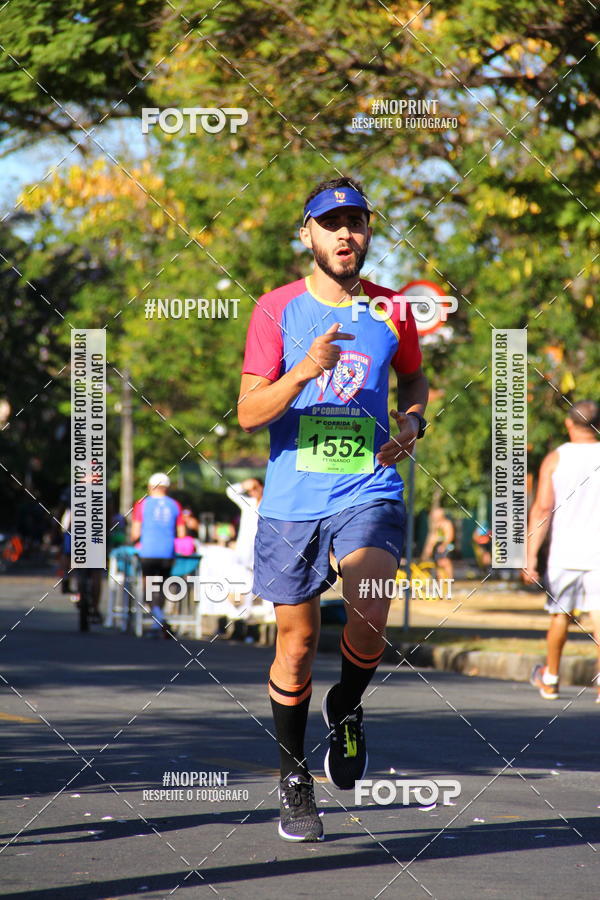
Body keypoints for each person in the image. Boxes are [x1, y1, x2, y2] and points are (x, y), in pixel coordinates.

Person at [238, 175, 428, 841]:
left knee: (371, 599)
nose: (346, 233)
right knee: (295, 645)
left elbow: (413, 376)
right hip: (293, 501)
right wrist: (300, 372)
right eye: (331, 222)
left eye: (357, 222)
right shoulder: (276, 311)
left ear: (369, 233)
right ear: (308, 235)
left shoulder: (393, 310)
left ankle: (346, 705)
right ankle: (295, 778)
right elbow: (247, 414)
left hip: (367, 490)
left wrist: (413, 420)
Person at [525, 400, 600, 701]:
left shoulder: (556, 458)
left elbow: (543, 508)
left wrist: (530, 557)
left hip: (564, 554)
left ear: (569, 424)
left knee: (560, 616)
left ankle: (551, 678)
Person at [130, 472, 186, 636]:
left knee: (149, 586)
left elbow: (135, 532)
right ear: (167, 488)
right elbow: (181, 533)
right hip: (168, 551)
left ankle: (159, 618)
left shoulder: (142, 504)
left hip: (148, 551)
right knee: (162, 586)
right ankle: (158, 622)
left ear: (150, 486)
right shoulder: (175, 505)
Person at [225, 478, 264, 570]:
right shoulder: (248, 503)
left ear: (262, 487)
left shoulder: (269, 505)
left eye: (255, 487)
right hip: (243, 548)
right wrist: (243, 485)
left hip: (260, 549)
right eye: (249, 490)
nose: (253, 491)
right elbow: (230, 491)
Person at [422, 506, 455, 582]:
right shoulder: (436, 524)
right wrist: (429, 548)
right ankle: (441, 580)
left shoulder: (446, 523)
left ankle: (450, 579)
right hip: (438, 545)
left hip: (445, 545)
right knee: (438, 563)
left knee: (445, 562)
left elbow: (450, 536)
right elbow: (433, 537)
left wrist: (444, 545)